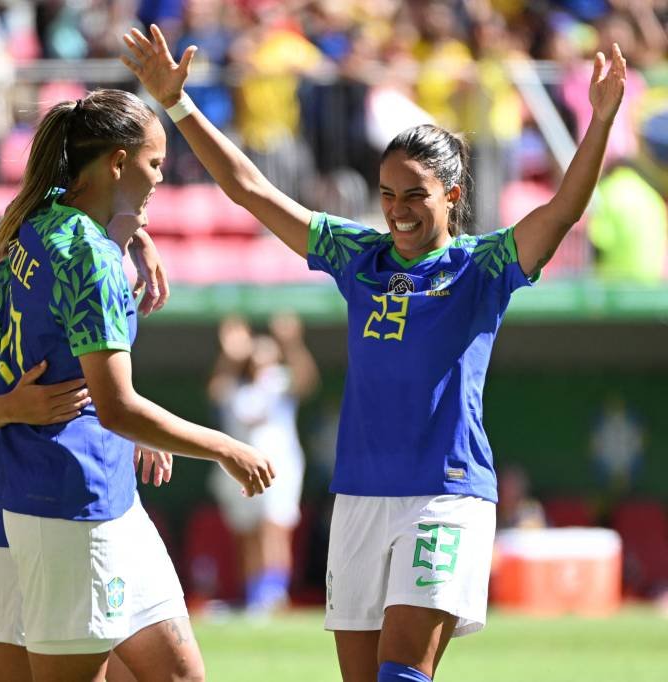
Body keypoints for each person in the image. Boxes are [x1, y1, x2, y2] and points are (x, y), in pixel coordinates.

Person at [122, 25, 626, 682]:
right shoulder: (356, 256)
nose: (398, 210)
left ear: (451, 194)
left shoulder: (483, 266)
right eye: (388, 194)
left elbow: (560, 211)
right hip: (359, 498)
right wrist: (178, 104)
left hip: (444, 496)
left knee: (402, 675)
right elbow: (251, 189)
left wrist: (603, 119)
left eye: (415, 193)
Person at [0, 88, 275, 682]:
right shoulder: (87, 255)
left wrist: (130, 236)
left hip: (85, 496)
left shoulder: (26, 235)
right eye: (155, 164)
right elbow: (115, 408)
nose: (160, 180)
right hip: (70, 500)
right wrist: (226, 447)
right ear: (117, 162)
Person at [0, 211, 172, 682]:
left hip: (32, 483)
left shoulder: (57, 287)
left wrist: (134, 426)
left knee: (89, 637)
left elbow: (101, 375)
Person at [208, 313, 319, 614]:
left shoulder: (281, 383)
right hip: (237, 473)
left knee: (274, 528)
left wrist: (292, 342)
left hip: (279, 468)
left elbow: (307, 379)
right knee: (247, 532)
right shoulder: (238, 389)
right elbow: (216, 391)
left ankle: (273, 594)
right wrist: (230, 356)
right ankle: (254, 595)